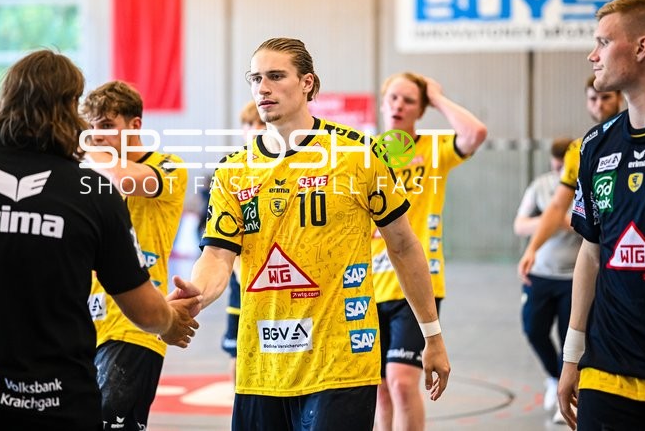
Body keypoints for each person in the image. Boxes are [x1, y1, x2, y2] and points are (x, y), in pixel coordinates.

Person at [0, 50, 199, 431]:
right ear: (69, 111)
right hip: (57, 399)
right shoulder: (89, 189)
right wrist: (169, 321)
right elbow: (147, 310)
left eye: (105, 125)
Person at [170, 37, 451, 430]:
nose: (262, 88)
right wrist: (195, 295)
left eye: (275, 76)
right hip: (261, 369)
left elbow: (403, 245)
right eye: (255, 78)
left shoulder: (357, 154)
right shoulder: (233, 170)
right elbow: (218, 254)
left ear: (307, 83)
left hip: (342, 363)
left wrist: (432, 336)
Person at [558, 0, 645, 430]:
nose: (593, 56)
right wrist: (571, 356)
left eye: (603, 42)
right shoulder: (595, 145)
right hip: (606, 374)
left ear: (642, 47)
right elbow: (591, 254)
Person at [371, 72, 486, 431]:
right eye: (393, 98)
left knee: (402, 383)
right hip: (368, 285)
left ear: (420, 111)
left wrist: (436, 97)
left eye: (409, 100)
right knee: (379, 391)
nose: (399, 105)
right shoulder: (366, 155)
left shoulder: (432, 149)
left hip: (416, 284)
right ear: (382, 103)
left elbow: (475, 134)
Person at [80, 81, 188, 430]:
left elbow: (122, 177)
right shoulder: (90, 173)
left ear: (135, 125)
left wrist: (80, 145)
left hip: (138, 322)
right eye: (91, 127)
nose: (97, 135)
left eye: (106, 125)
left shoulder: (169, 167)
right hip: (84, 322)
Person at [517, 76, 622, 419]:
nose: (599, 104)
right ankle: (561, 383)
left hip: (619, 272)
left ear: (619, 97)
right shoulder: (583, 147)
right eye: (593, 99)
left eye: (605, 97)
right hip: (571, 269)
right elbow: (556, 207)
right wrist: (533, 247)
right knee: (538, 329)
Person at [513, 137, 577, 423]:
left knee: (568, 338)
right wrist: (551, 220)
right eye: (557, 163)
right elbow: (520, 225)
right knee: (533, 328)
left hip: (572, 276)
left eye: (566, 164)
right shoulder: (540, 186)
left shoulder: (583, 185)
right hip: (540, 274)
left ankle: (567, 396)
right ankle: (554, 377)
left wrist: (568, 221)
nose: (561, 168)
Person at [218, 101, 267, 381]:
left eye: (260, 124)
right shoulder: (233, 171)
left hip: (276, 280)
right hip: (243, 282)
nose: (254, 130)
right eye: (249, 124)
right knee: (238, 357)